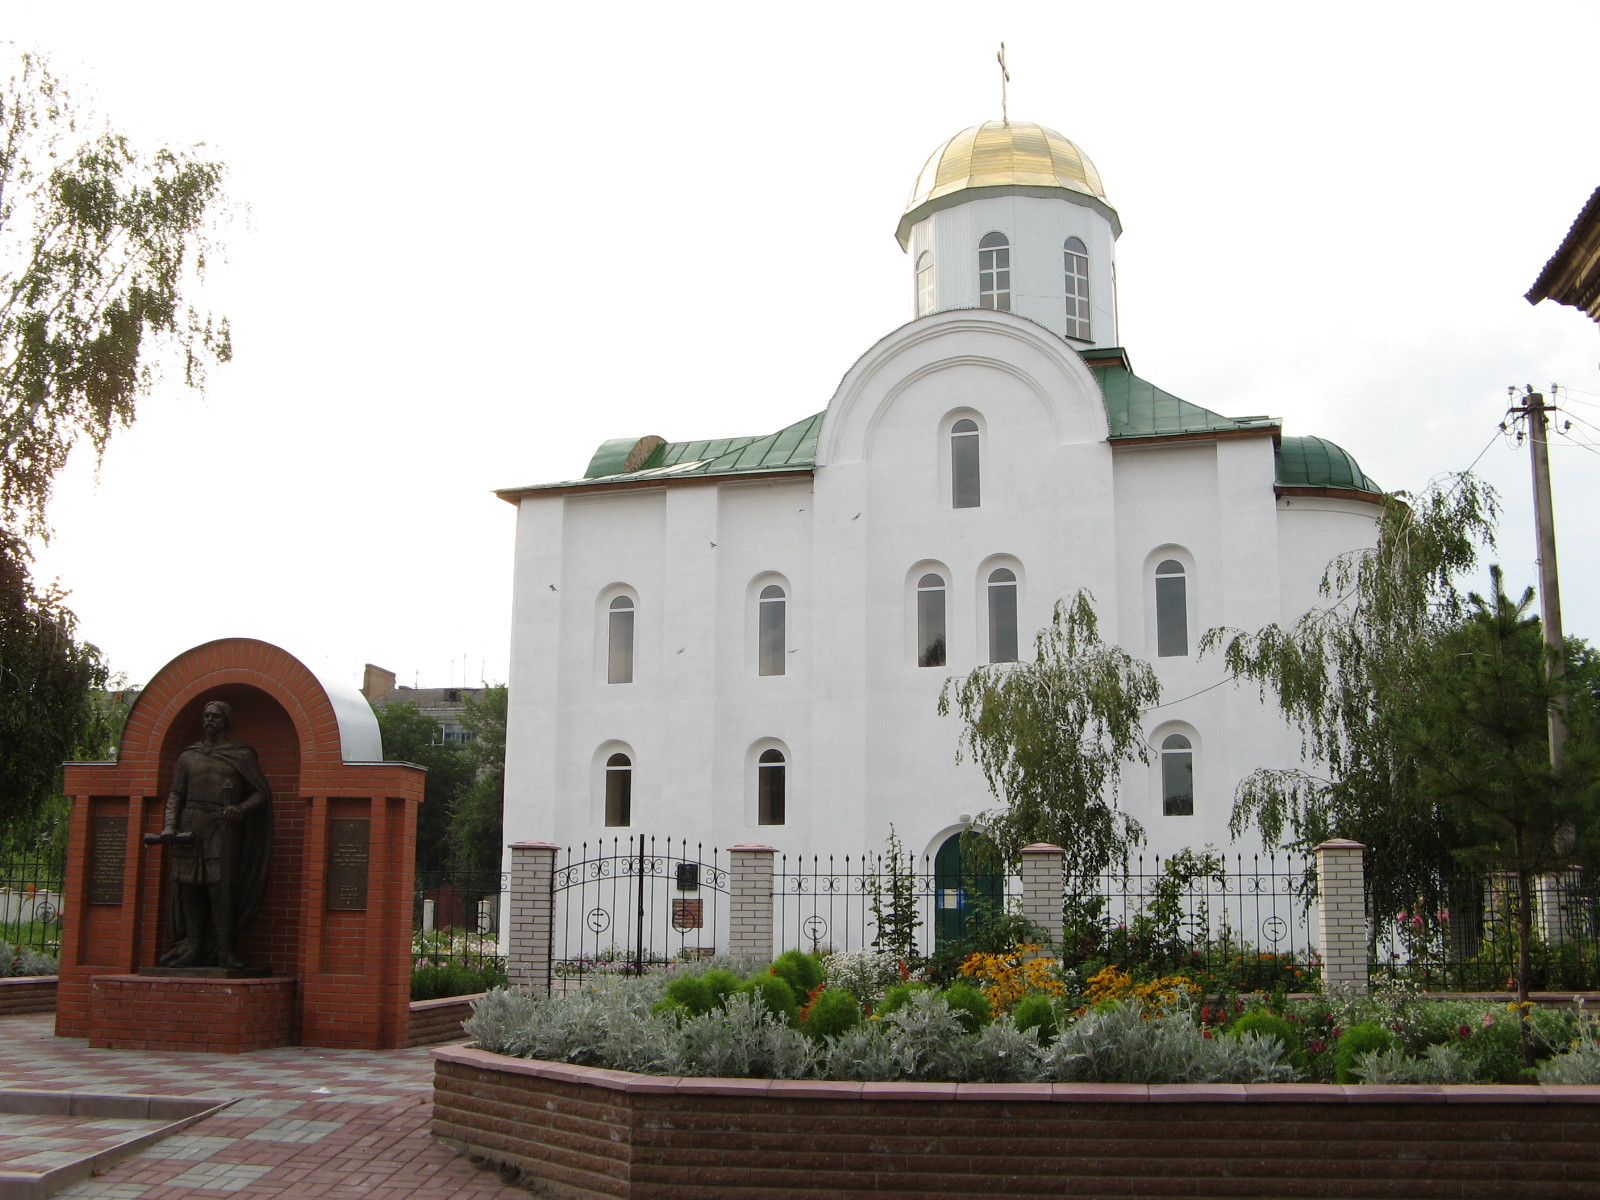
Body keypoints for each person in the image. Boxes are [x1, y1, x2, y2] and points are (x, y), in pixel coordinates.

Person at [157, 699, 273, 968]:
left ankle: (224, 948)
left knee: (219, 888)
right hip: (190, 827)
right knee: (189, 888)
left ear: (226, 721)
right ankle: (193, 946)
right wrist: (170, 826)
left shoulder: (241, 755)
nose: (209, 720)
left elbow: (260, 794)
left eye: (215, 716)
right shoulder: (188, 756)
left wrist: (240, 809)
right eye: (206, 716)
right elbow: (176, 795)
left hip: (222, 829)